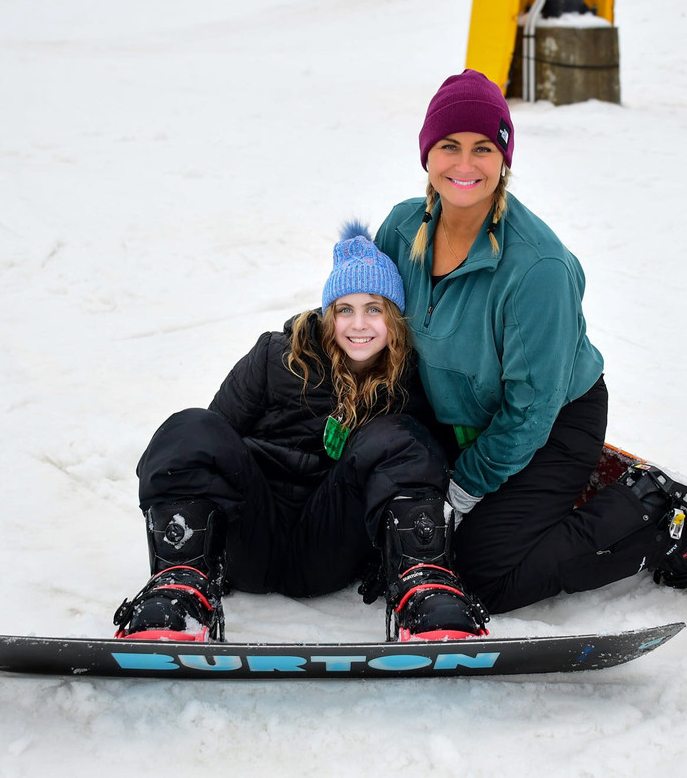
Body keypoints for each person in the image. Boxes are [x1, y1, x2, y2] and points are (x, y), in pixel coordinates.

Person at [373, 70, 687, 616]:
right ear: (428, 154)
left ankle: (655, 517)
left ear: (504, 159)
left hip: (549, 425)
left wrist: (464, 490)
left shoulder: (537, 268)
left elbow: (531, 411)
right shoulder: (402, 229)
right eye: (449, 146)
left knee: (479, 574)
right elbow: (376, 335)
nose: (464, 165)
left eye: (482, 148)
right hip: (455, 416)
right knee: (411, 546)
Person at [113, 223, 488, 642]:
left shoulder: (409, 382)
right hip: (249, 535)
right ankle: (178, 589)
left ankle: (424, 589)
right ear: (328, 313)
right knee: (191, 426)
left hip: (330, 546)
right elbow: (210, 444)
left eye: (374, 309)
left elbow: (425, 469)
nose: (358, 324)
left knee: (401, 436)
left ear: (394, 318)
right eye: (345, 309)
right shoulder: (275, 356)